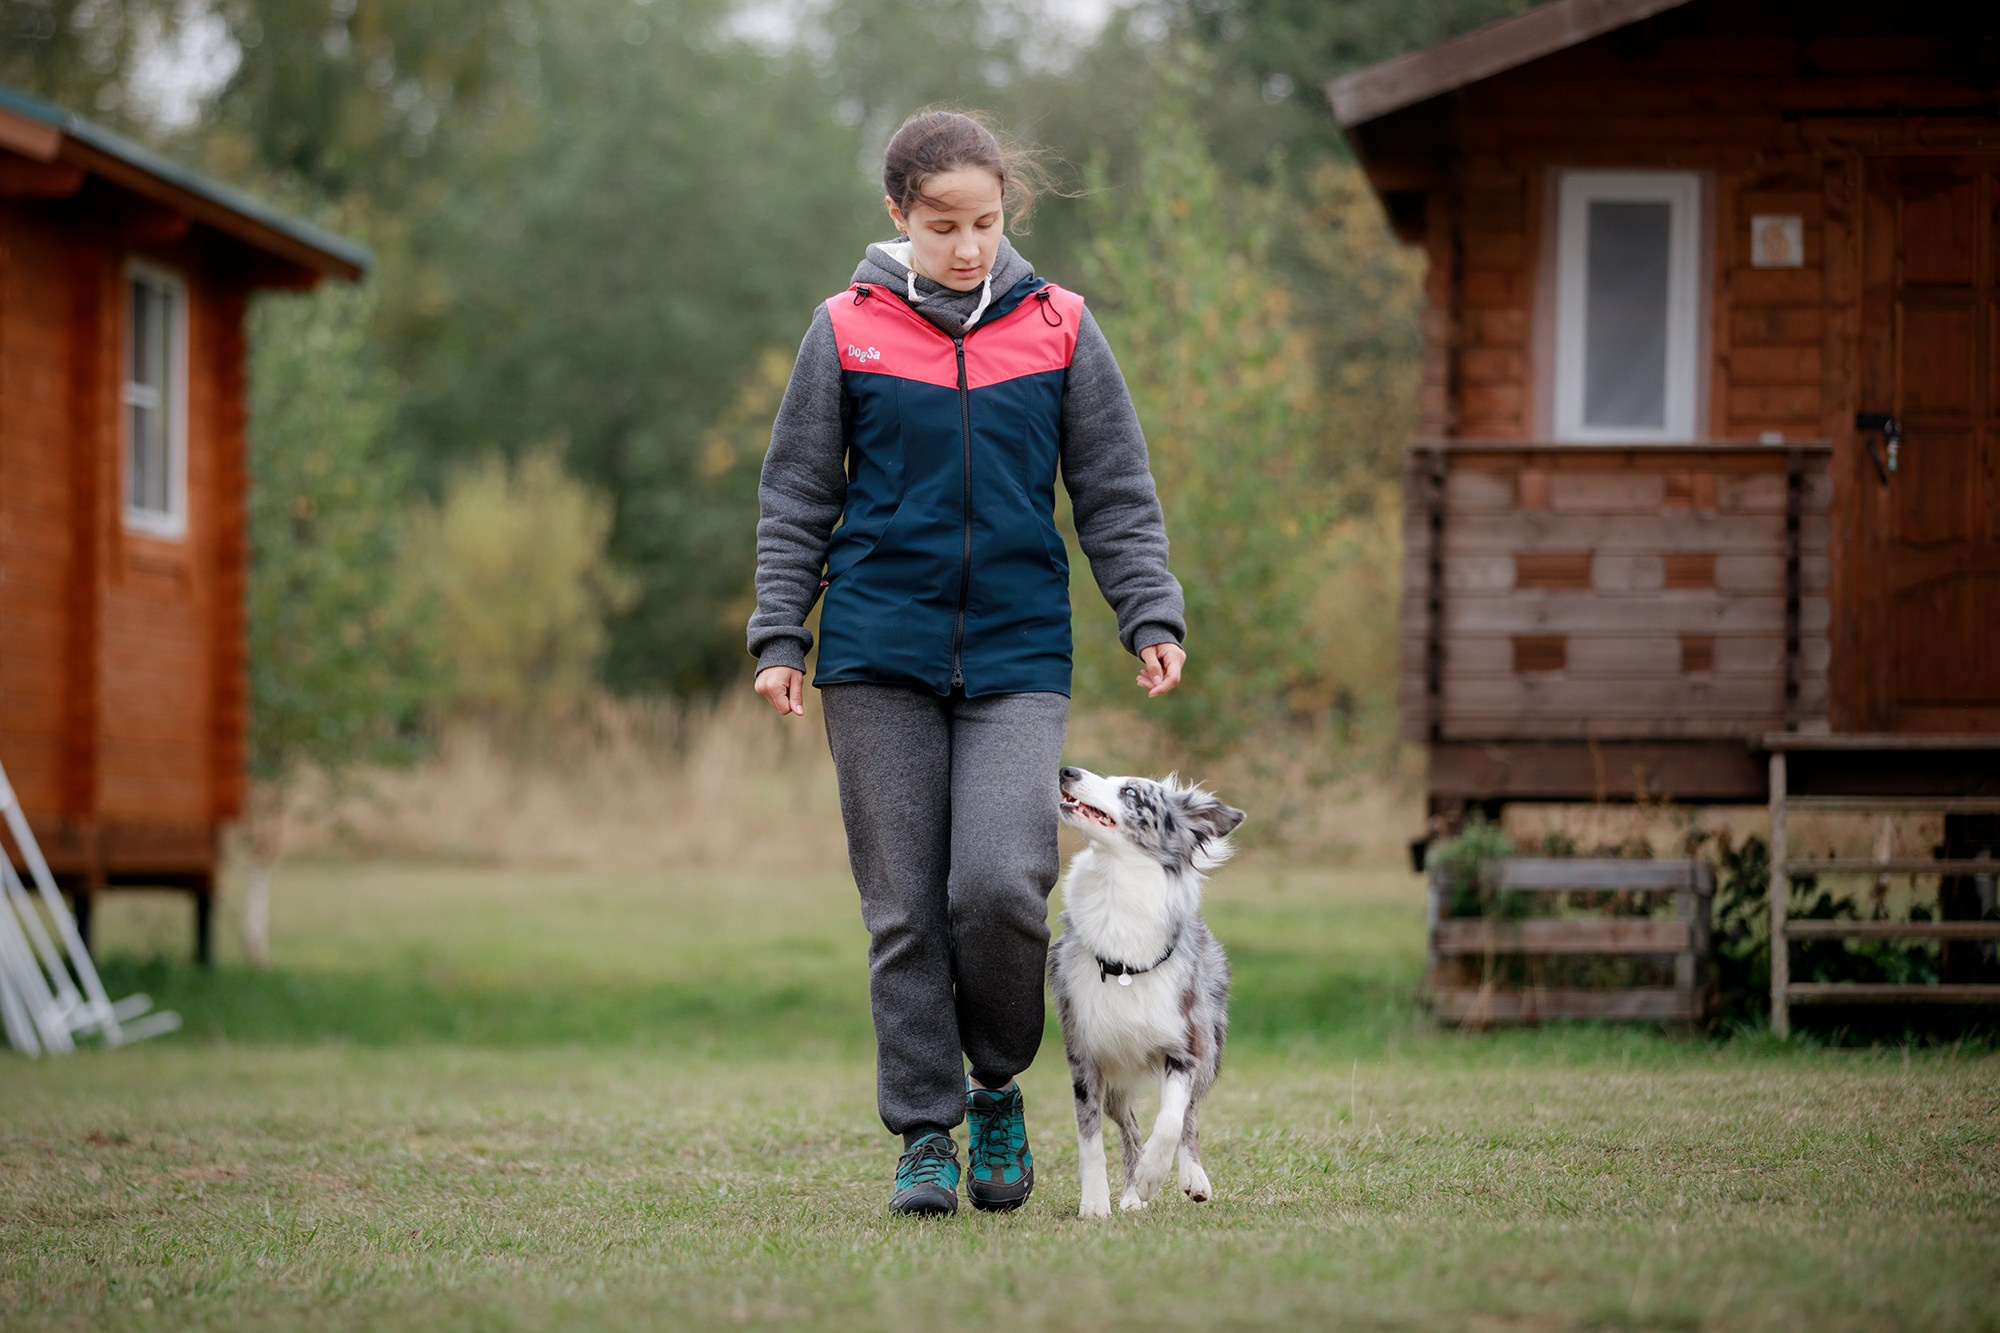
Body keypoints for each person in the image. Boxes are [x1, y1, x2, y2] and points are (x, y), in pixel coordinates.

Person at [747, 108, 1186, 1217]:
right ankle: (925, 1131)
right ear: (897, 215)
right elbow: (798, 493)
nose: (967, 247)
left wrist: (1148, 613)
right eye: (942, 224)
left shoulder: (1059, 327)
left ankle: (997, 1084)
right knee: (903, 909)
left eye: (985, 222)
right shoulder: (843, 330)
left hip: (1015, 652)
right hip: (872, 654)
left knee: (997, 884)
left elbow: (1114, 489)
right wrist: (778, 635)